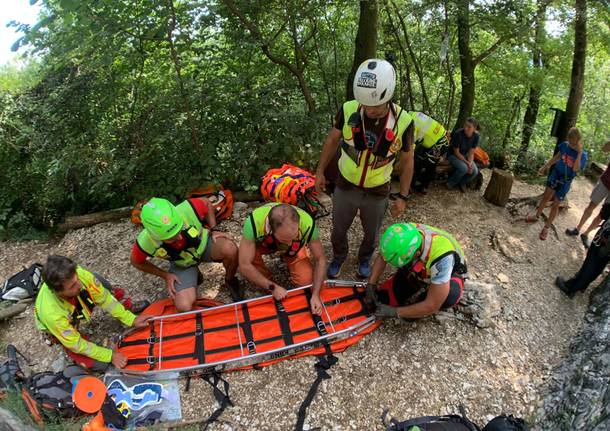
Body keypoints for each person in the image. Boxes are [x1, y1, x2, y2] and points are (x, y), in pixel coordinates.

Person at [314, 58, 415, 280]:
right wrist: (320, 171)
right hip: (345, 184)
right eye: (365, 104)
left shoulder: (403, 121)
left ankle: (364, 260)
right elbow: (332, 140)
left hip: (378, 189)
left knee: (372, 233)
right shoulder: (349, 108)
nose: (368, 109)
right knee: (338, 229)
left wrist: (403, 196)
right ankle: (339, 257)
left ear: (387, 96)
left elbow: (408, 162)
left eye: (375, 106)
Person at [35, 255, 152, 371]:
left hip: (72, 304)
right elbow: (77, 344)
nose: (80, 285)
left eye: (77, 280)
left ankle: (126, 306)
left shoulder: (79, 275)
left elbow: (105, 299)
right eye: (72, 286)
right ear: (58, 292)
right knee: (98, 364)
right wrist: (110, 356)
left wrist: (130, 319)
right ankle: (60, 339)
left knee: (98, 282)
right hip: (59, 321)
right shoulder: (52, 314)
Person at [131, 197, 240, 311]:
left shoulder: (188, 208)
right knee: (184, 306)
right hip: (182, 264)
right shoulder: (145, 241)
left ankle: (230, 280)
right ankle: (194, 275)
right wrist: (165, 275)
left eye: (179, 229)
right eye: (171, 238)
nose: (179, 237)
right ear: (154, 235)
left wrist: (215, 228)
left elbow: (207, 203)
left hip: (204, 246)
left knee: (230, 249)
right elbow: (136, 262)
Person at [238, 203, 326, 314]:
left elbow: (320, 259)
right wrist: (272, 287)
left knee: (306, 281)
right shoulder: (254, 223)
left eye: (294, 236)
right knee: (250, 255)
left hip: (295, 248)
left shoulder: (307, 223)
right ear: (270, 228)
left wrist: (315, 294)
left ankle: (291, 256)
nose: (289, 243)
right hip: (267, 244)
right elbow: (244, 265)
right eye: (285, 239)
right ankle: (267, 280)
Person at [368, 223, 467, 319]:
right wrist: (371, 284)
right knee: (386, 298)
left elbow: (432, 305)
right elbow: (384, 256)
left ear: (417, 254)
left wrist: (395, 312)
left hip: (450, 273)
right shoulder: (404, 232)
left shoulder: (443, 260)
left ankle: (425, 294)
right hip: (424, 264)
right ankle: (416, 282)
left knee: (449, 297)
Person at [526, 128, 587, 240]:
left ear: (578, 140)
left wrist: (579, 153)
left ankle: (546, 227)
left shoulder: (583, 155)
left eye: (574, 142)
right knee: (546, 197)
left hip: (565, 181)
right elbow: (557, 157)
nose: (571, 144)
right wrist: (546, 166)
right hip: (555, 175)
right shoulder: (564, 145)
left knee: (555, 205)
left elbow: (576, 168)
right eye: (570, 140)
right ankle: (536, 216)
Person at [556, 202, 610, 298]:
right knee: (599, 264)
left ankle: (570, 287)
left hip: (605, 239)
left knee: (591, 262)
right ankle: (583, 285)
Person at [566, 140, 610, 247]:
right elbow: (604, 149)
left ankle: (586, 234)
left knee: (603, 214)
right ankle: (578, 228)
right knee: (591, 206)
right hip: (606, 181)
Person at [409, 111, 449, 194]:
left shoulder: (410, 123)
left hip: (439, 143)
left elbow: (411, 144)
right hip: (438, 138)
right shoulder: (414, 114)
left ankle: (417, 187)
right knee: (424, 162)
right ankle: (418, 185)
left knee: (426, 164)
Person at [447, 117, 480, 191]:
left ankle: (462, 182)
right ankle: (450, 183)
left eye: (469, 127)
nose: (466, 128)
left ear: (474, 128)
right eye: (465, 125)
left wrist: (470, 163)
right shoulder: (458, 134)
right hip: (452, 155)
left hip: (464, 154)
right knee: (464, 168)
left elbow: (471, 152)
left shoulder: (476, 136)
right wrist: (467, 163)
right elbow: (456, 152)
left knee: (475, 171)